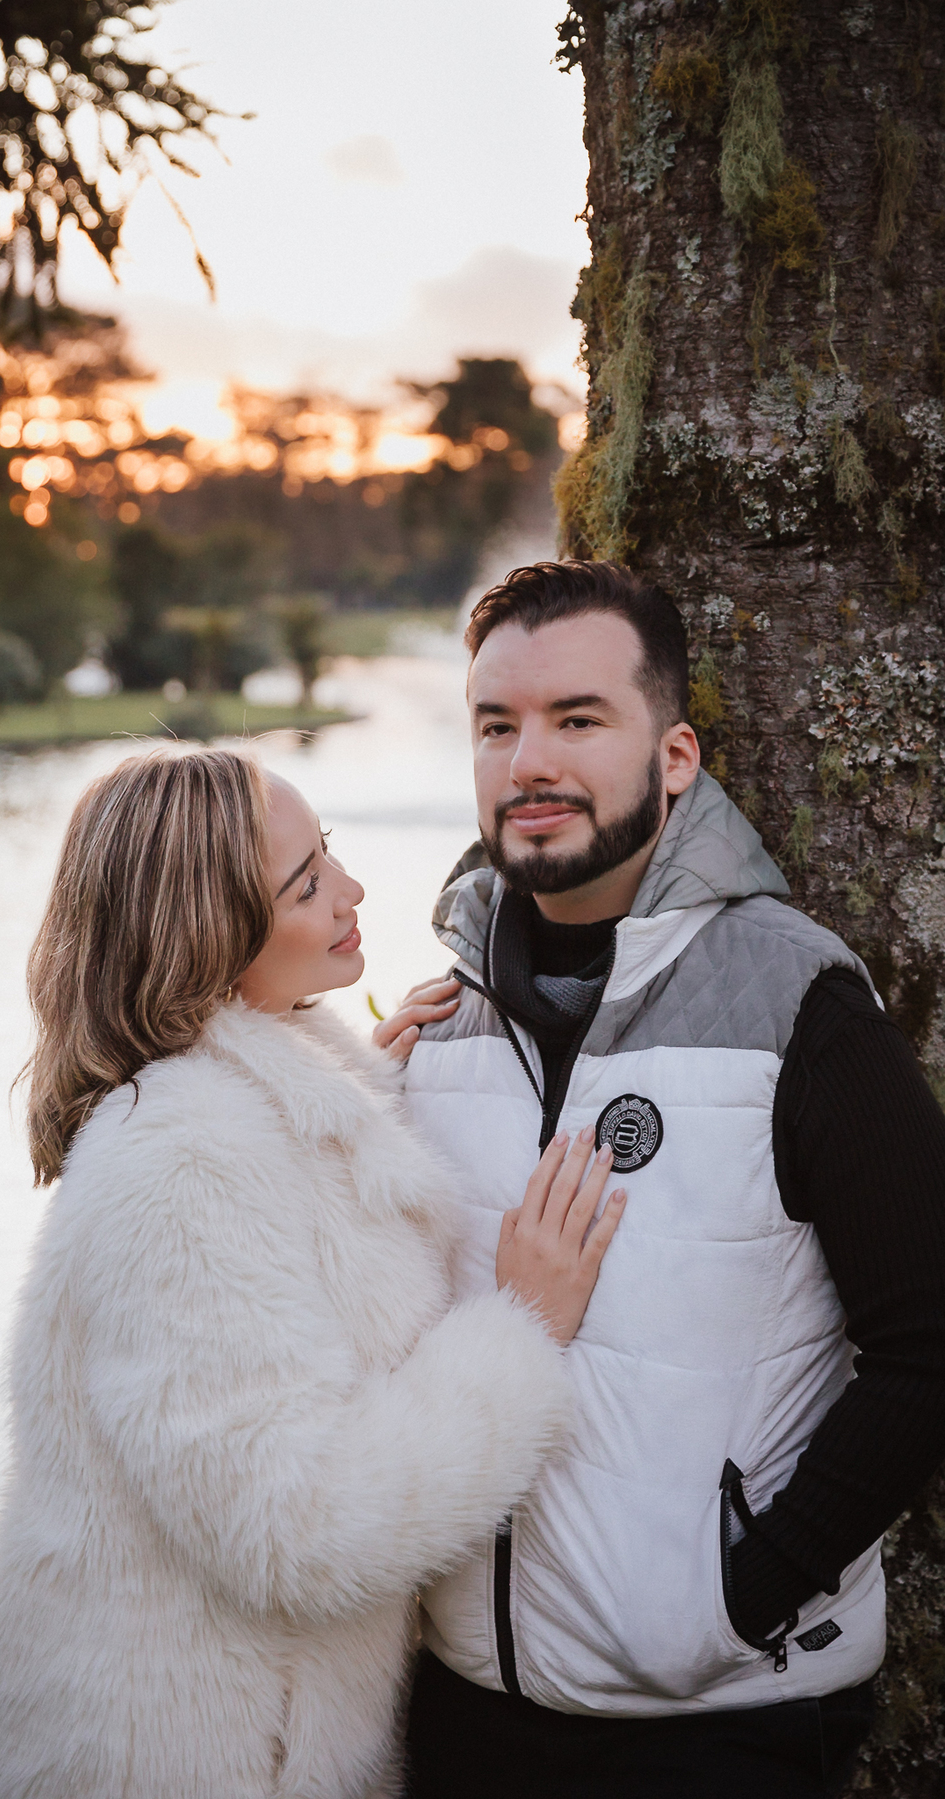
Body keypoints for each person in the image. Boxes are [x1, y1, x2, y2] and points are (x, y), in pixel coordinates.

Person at [0, 744, 626, 1799]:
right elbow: (296, 1526)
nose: (352, 891)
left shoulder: (253, 1102)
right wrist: (520, 1328)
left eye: (329, 852)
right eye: (305, 886)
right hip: (151, 1754)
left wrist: (361, 1100)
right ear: (207, 942)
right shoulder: (180, 1159)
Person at [395, 561, 945, 1798]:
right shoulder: (439, 1017)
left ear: (676, 755)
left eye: (578, 719)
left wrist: (742, 1594)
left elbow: (929, 1340)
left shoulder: (797, 1002)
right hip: (465, 1707)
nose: (529, 761)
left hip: (720, 1726)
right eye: (497, 725)